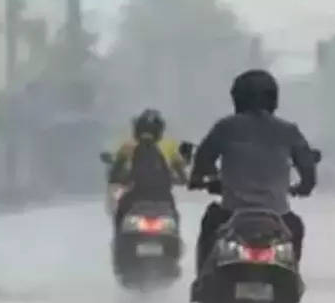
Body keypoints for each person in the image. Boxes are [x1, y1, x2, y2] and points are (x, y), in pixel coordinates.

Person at [187, 69, 316, 282]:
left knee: (210, 223)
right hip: (278, 215)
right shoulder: (289, 131)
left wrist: (201, 180)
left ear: (237, 97)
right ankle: (291, 280)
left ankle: (202, 282)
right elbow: (308, 168)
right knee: (296, 228)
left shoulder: (225, 127)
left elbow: (203, 161)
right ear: (273, 98)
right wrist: (304, 187)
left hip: (231, 213)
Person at [108, 109, 187, 229]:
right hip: (163, 197)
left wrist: (123, 178)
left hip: (135, 196)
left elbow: (115, 173)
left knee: (120, 214)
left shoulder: (127, 146)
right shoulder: (170, 145)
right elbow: (182, 175)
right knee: (174, 218)